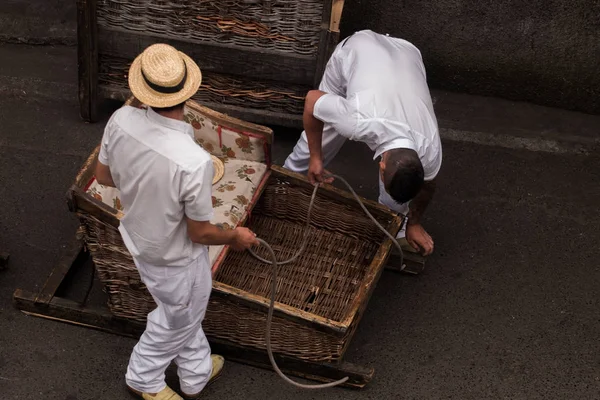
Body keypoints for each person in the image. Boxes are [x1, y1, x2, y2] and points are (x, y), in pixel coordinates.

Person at [94, 43, 258, 400]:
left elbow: (103, 176)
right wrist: (235, 238)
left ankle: (195, 372)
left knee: (182, 309)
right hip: (175, 256)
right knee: (176, 319)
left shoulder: (120, 120)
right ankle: (144, 379)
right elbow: (200, 232)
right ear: (189, 91)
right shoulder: (193, 161)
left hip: (139, 238)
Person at [283, 30, 442, 256]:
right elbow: (312, 101)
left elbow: (429, 185)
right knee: (327, 129)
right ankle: (288, 177)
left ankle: (394, 223)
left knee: (395, 202)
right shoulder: (358, 120)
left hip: (407, 54)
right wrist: (316, 158)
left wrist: (414, 222)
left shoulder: (431, 148)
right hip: (357, 49)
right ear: (381, 166)